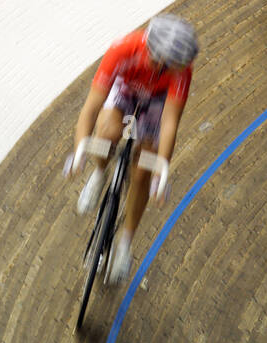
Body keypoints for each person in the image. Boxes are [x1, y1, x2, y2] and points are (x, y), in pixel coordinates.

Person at [69, 16, 199, 283]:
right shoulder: (122, 49)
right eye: (164, 65)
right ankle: (99, 172)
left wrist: (161, 168)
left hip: (157, 102)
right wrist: (81, 147)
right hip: (125, 89)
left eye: (174, 67)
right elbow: (92, 106)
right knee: (108, 133)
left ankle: (125, 244)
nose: (170, 70)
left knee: (142, 172)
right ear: (153, 53)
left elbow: (169, 122)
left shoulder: (182, 71)